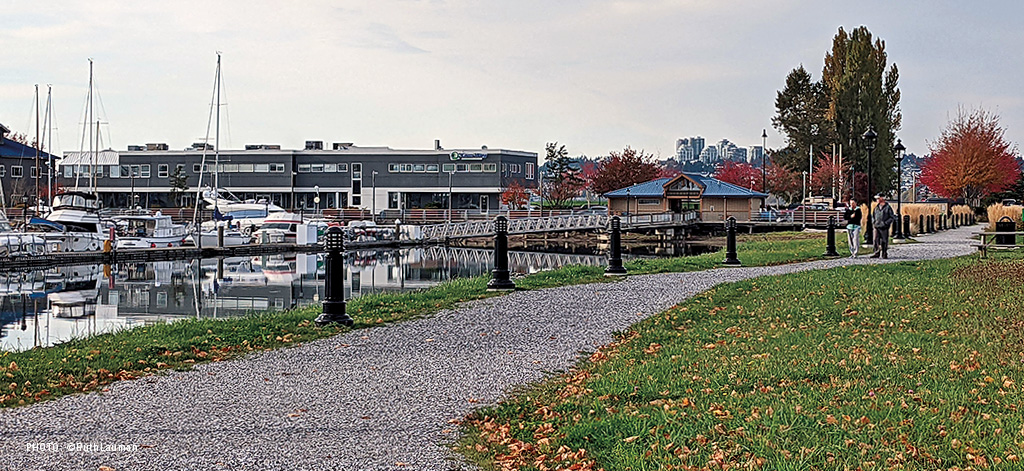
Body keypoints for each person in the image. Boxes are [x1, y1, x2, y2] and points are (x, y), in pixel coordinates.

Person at [871, 194, 897, 259]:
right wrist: (874, 222)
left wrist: (886, 223)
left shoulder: (888, 207)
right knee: (875, 239)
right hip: (876, 226)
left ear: (882, 198)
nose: (877, 200)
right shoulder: (876, 208)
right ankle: (876, 252)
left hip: (884, 227)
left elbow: (892, 217)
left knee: (884, 241)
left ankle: (884, 253)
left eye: (878, 198)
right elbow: (873, 216)